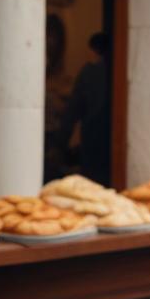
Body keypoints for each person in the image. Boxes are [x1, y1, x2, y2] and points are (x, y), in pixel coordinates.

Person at [56, 32, 112, 185]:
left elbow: (73, 110)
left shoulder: (90, 73)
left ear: (95, 50)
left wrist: (60, 144)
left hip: (94, 140)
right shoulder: (119, 70)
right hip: (110, 141)